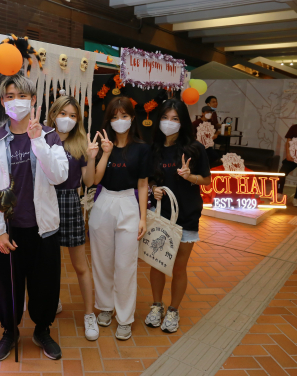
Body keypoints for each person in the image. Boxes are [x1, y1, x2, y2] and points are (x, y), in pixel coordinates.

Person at [0, 74, 69, 361]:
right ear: (3, 102)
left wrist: (37, 141)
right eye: (9, 96)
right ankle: (9, 332)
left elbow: (59, 175)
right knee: (7, 286)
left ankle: (42, 330)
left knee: (45, 284)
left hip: (43, 229)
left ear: (33, 100)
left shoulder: (50, 136)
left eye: (22, 95)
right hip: (9, 230)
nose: (15, 101)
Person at [145, 98, 211, 333]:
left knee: (178, 267)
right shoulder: (153, 148)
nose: (169, 123)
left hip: (187, 215)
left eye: (174, 119)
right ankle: (156, 305)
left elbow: (206, 180)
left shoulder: (194, 149)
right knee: (157, 264)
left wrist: (189, 176)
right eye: (164, 118)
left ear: (183, 122)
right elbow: (148, 178)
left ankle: (173, 310)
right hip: (160, 215)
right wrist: (154, 188)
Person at [89, 96, 151, 341]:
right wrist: (104, 153)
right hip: (104, 202)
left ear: (132, 118)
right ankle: (105, 307)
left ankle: (125, 318)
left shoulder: (142, 148)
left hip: (128, 203)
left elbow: (143, 185)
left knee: (125, 265)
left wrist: (143, 217)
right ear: (108, 121)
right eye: (114, 117)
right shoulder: (105, 145)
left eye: (124, 116)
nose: (119, 121)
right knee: (102, 260)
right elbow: (95, 180)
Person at [47, 95, 100, 341]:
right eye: (62, 113)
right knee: (47, 262)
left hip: (69, 201)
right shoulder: (43, 139)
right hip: (44, 202)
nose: (66, 119)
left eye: (72, 115)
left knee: (80, 265)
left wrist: (91, 157)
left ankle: (89, 314)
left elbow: (89, 182)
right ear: (53, 114)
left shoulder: (80, 144)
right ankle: (51, 300)